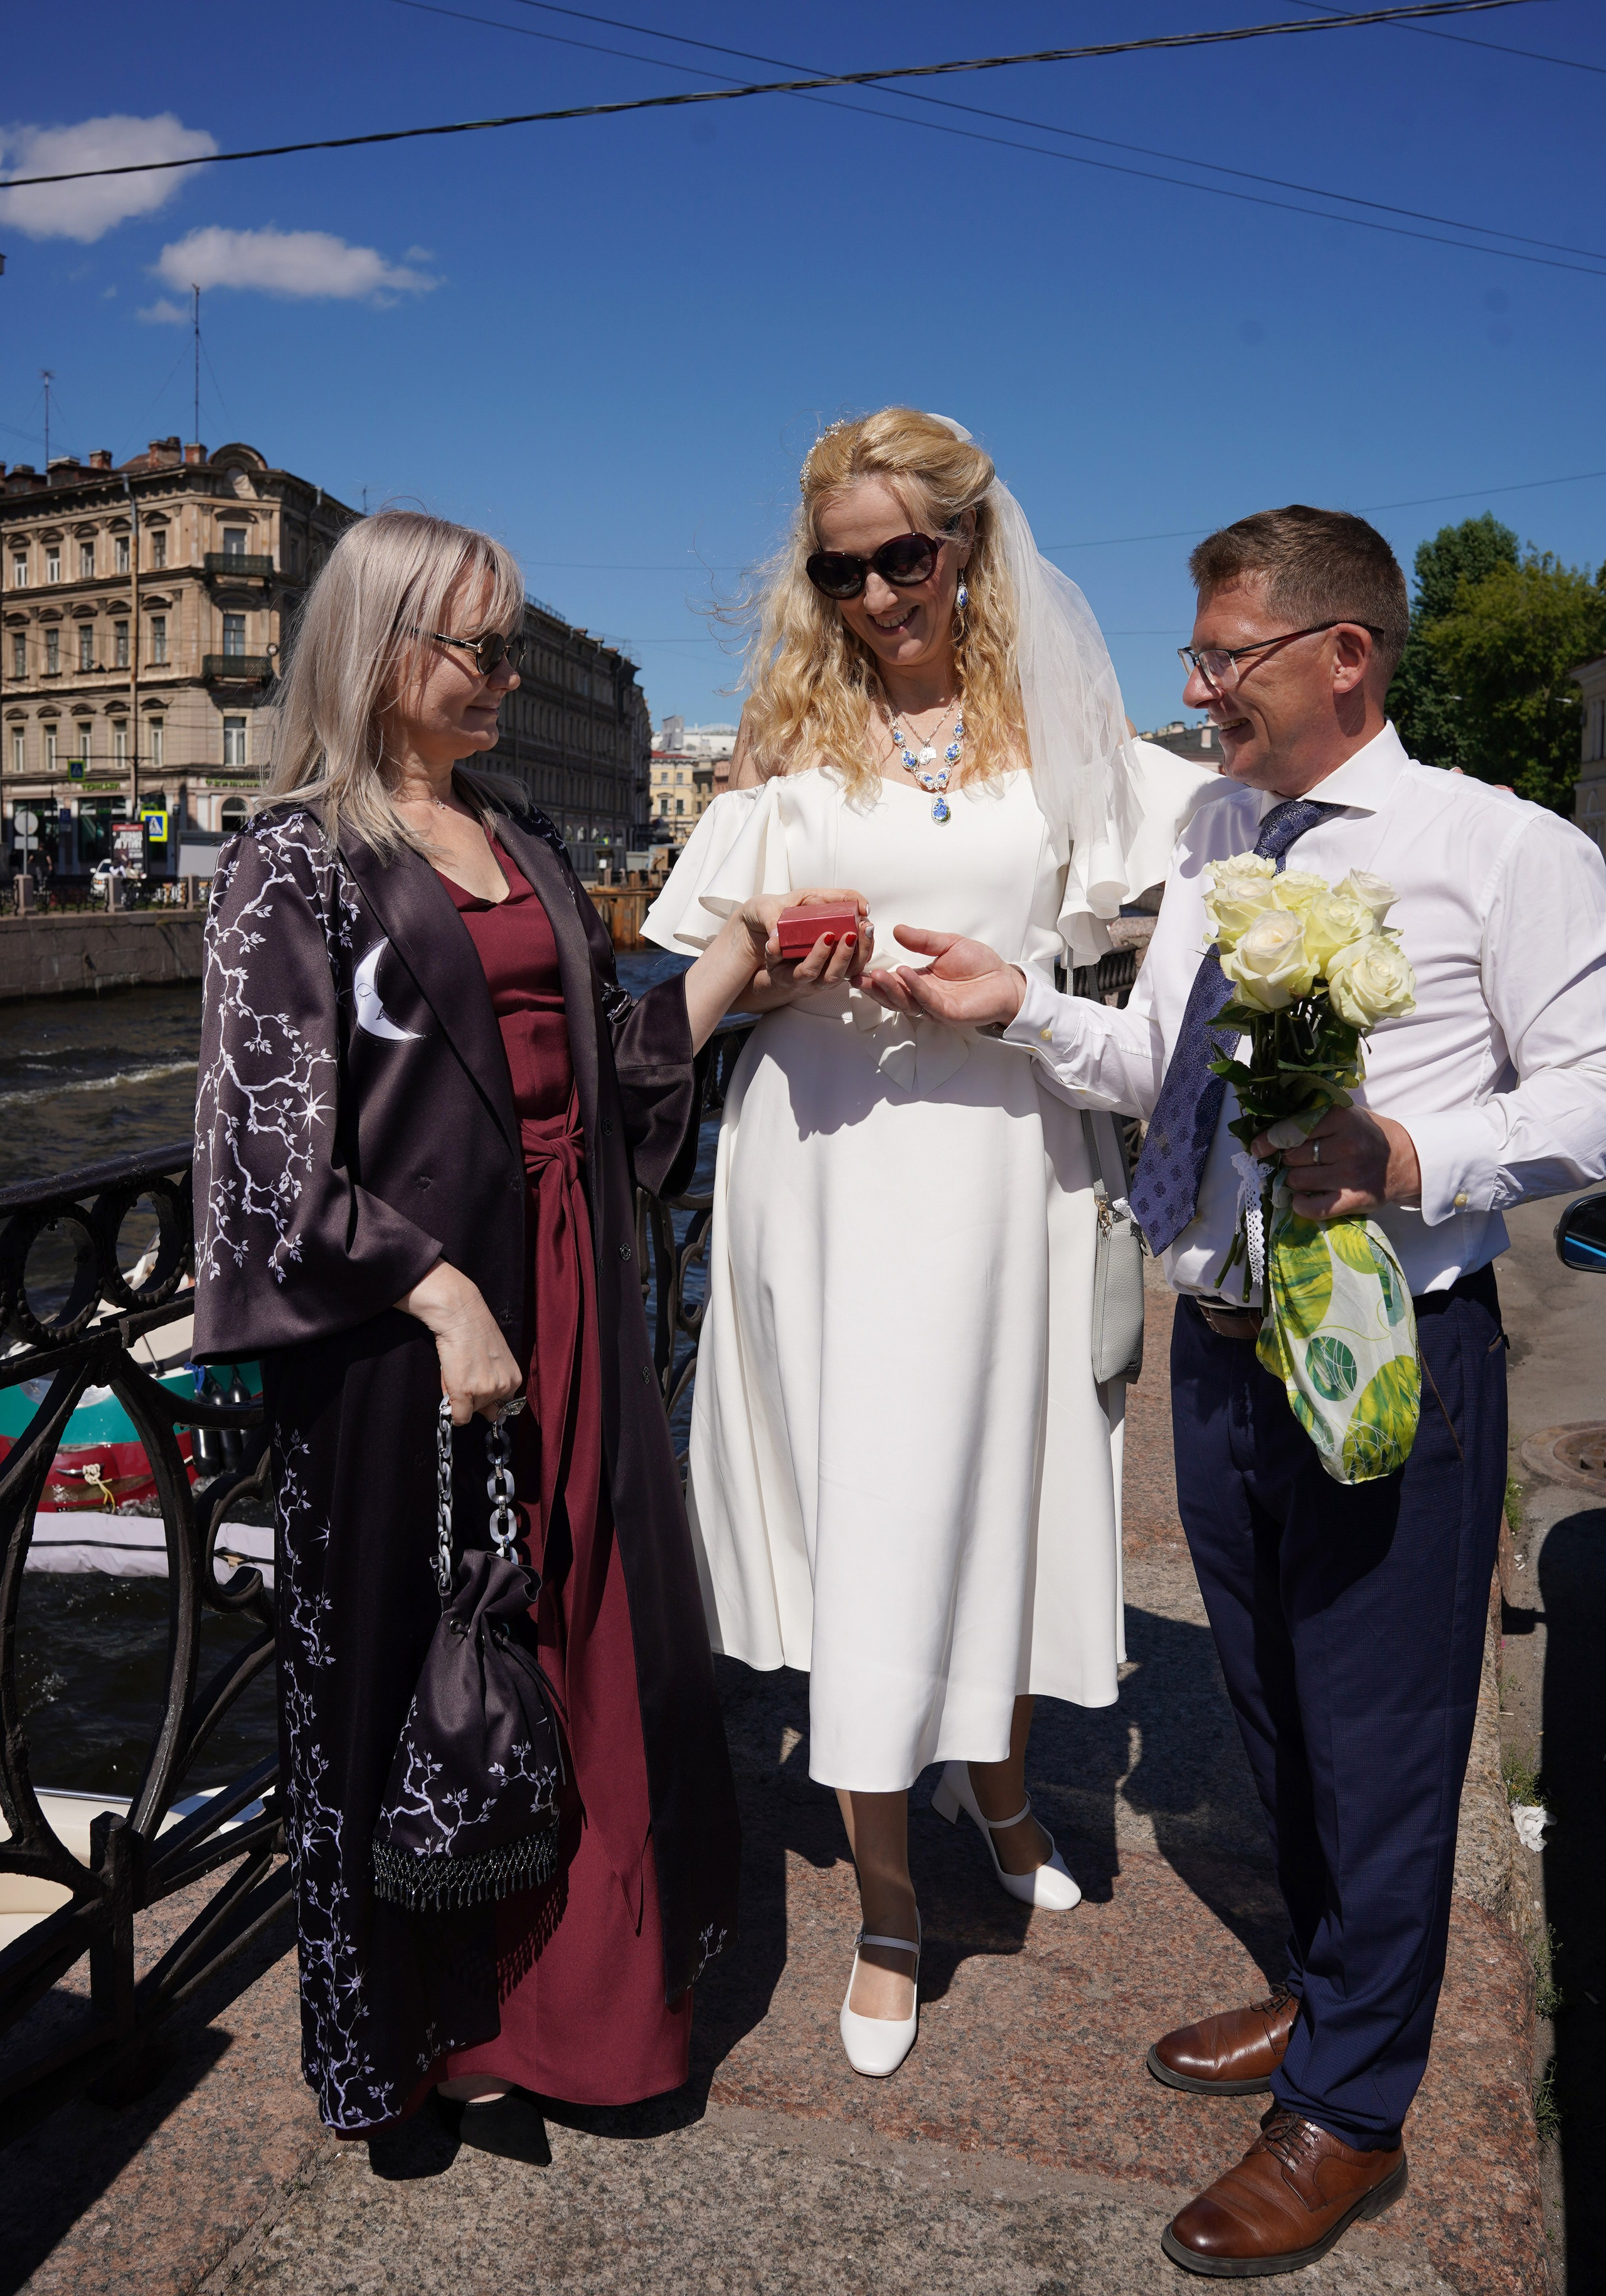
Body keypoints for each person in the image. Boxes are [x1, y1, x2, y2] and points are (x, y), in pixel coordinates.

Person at [870, 504, 1606, 2270]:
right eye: (1194, 659)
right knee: (1276, 1710)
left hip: (1383, 1356)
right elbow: (1161, 1064)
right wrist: (1018, 1005)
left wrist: (1409, 1151)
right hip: (1219, 1346)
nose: (1198, 694)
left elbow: (1595, 1091)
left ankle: (1354, 2110)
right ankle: (1329, 1988)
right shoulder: (1217, 832)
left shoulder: (1500, 847)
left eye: (1225, 659)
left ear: (1345, 655)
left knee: (1385, 1734)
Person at [191, 509, 863, 2150]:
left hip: (570, 1280)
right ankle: (420, 2035)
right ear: (377, 652)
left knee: (580, 1629)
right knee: (413, 1662)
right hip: (409, 1329)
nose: (501, 673)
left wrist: (738, 957)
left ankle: (578, 2013)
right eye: (474, 646)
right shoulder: (292, 860)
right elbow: (263, 1150)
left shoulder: (527, 833)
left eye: (508, 644)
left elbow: (603, 1068)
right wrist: (434, 1295)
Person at [642, 408, 1213, 2078]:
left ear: (968, 545)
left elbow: (1217, 864)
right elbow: (705, 983)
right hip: (830, 1161)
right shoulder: (783, 748)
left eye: (906, 555)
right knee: (875, 1509)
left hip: (1007, 1156)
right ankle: (889, 1910)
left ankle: (1003, 1787)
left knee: (1009, 1483)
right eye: (844, 570)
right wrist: (779, 968)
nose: (880, 593)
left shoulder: (1065, 737)